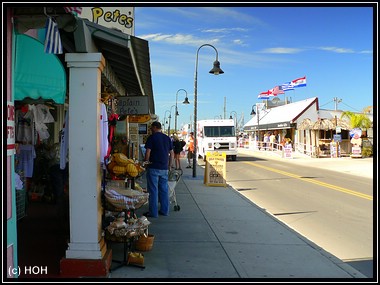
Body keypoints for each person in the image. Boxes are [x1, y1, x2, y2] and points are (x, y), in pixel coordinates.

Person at [144, 121, 174, 218]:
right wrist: (169, 165)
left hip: (153, 167)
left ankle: (153, 213)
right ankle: (165, 211)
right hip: (164, 168)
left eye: (151, 128)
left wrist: (146, 162)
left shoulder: (152, 138)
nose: (151, 130)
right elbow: (172, 153)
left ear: (155, 127)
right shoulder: (167, 138)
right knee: (164, 190)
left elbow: (148, 152)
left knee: (153, 190)